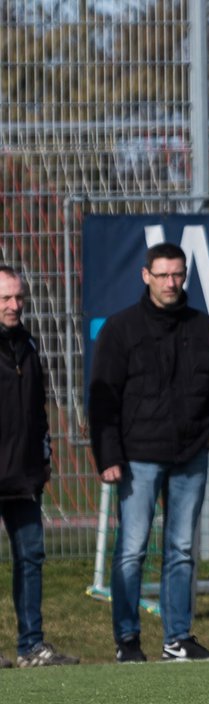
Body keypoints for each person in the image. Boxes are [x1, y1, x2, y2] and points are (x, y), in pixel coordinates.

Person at [88, 242, 209, 663]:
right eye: (163, 274)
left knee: (182, 549)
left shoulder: (203, 328)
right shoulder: (120, 330)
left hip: (191, 454)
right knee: (132, 548)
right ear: (145, 276)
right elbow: (103, 400)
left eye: (178, 274)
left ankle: (178, 639)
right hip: (137, 457)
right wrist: (109, 455)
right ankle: (127, 641)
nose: (171, 283)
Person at [0, 265, 79, 668]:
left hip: (24, 475)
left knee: (30, 557)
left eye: (19, 298)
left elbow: (37, 408)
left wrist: (43, 457)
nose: (15, 306)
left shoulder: (28, 344)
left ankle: (32, 645)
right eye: (6, 299)